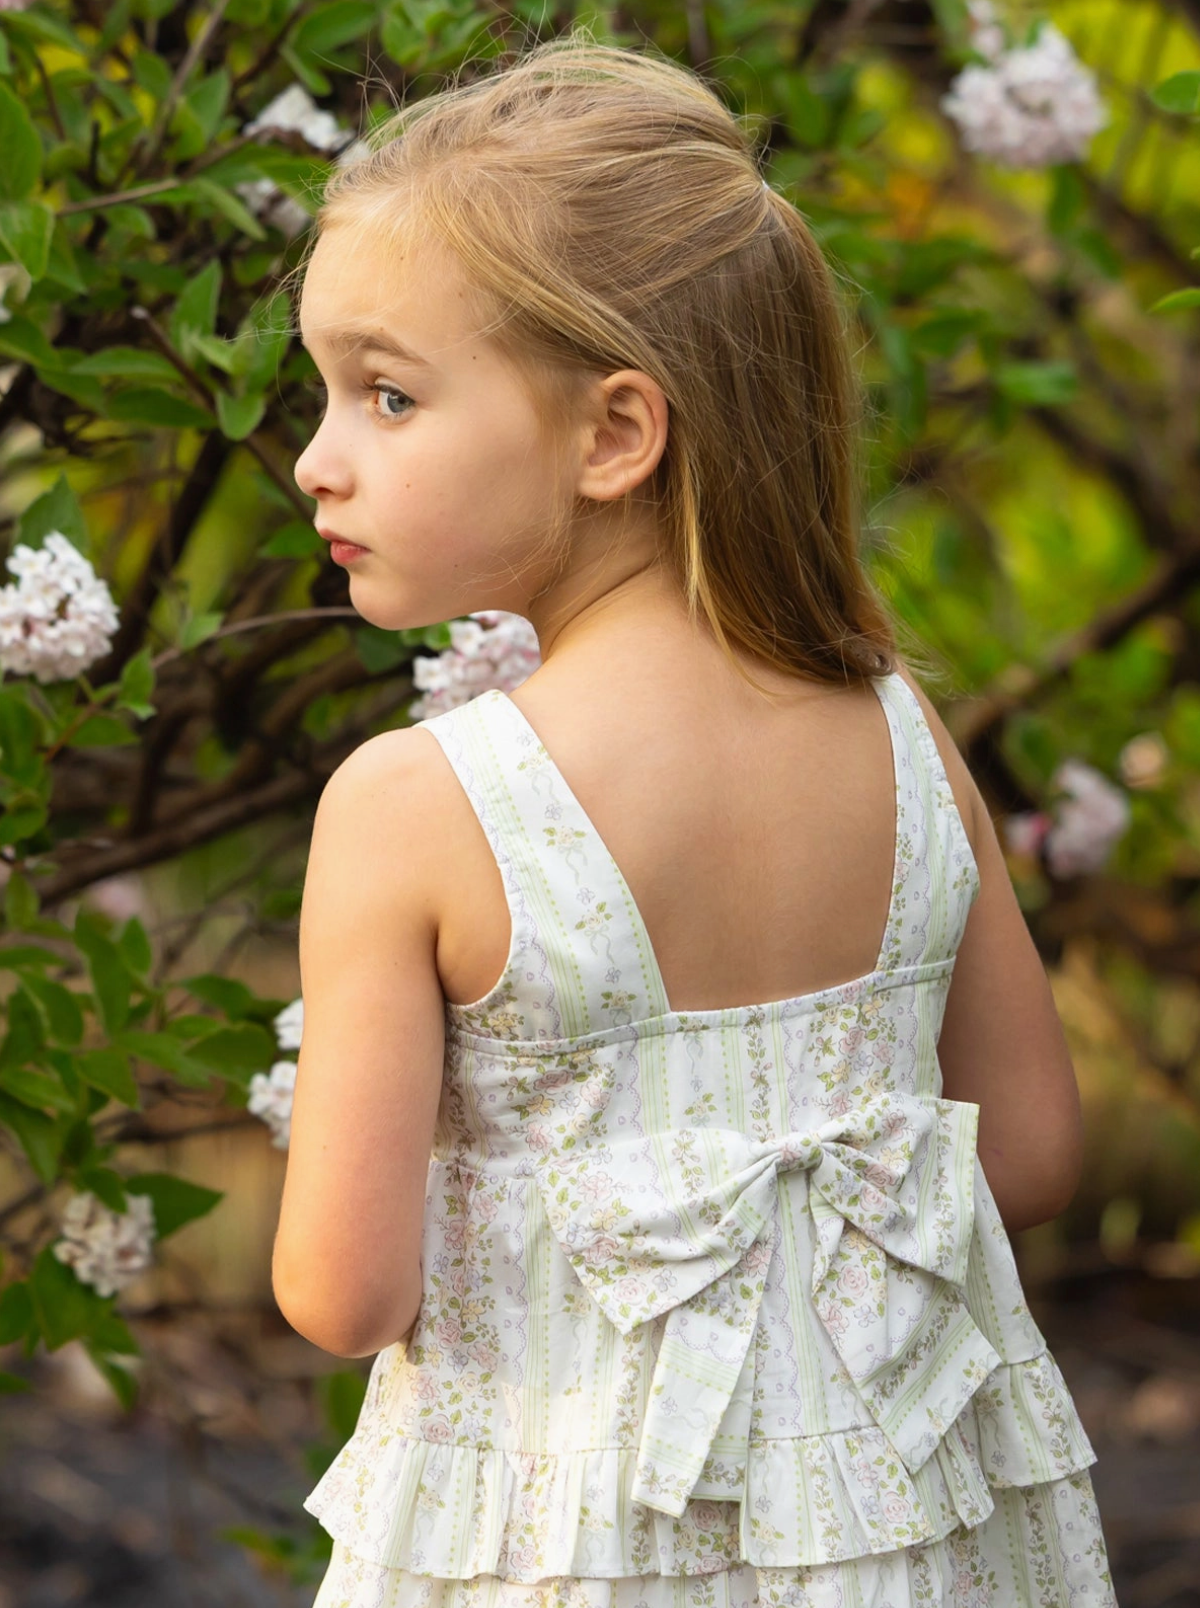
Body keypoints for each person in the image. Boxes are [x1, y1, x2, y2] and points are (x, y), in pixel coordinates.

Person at [271, 35, 1119, 1608]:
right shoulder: (898, 734)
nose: (318, 460)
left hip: (567, 1548)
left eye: (387, 396)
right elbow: (1029, 1151)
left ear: (614, 433)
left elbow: (340, 1290)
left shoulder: (416, 808)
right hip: (901, 1531)